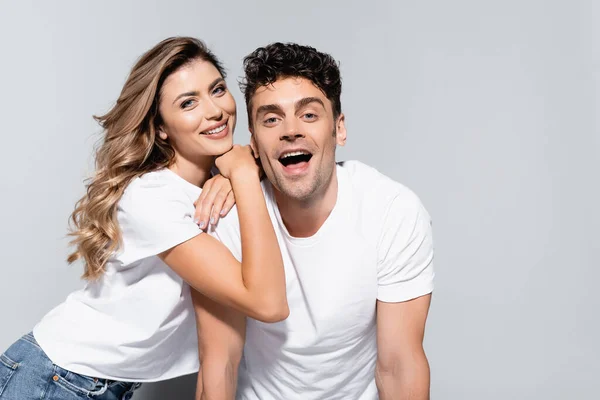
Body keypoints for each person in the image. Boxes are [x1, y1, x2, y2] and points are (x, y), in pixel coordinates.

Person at [0, 37, 288, 400]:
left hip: (91, 384)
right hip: (55, 378)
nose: (215, 110)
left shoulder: (211, 189)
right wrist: (245, 174)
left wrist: (246, 172)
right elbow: (268, 302)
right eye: (188, 103)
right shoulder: (152, 198)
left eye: (217, 89)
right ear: (162, 126)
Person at [197, 42, 435, 400]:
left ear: (339, 129)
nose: (291, 130)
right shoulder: (226, 217)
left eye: (309, 115)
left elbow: (399, 366)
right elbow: (220, 364)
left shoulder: (392, 211)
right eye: (271, 118)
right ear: (255, 145)